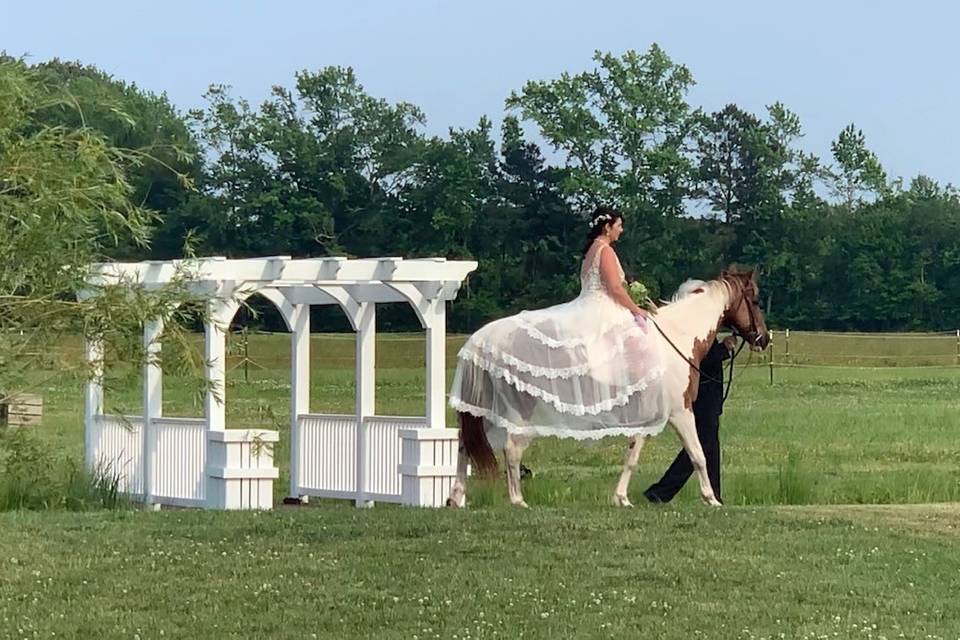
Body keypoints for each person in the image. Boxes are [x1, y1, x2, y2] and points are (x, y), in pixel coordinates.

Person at [449, 205, 669, 443]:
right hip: (600, 308)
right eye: (619, 226)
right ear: (607, 227)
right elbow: (615, 289)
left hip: (590, 303)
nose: (621, 231)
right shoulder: (604, 250)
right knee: (641, 341)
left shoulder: (591, 251)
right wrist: (636, 309)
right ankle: (636, 403)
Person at [644, 282, 737, 504]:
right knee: (703, 444)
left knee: (703, 444)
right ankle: (671, 492)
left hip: (708, 393)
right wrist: (724, 349)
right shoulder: (692, 332)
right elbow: (701, 362)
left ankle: (667, 492)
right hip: (703, 393)